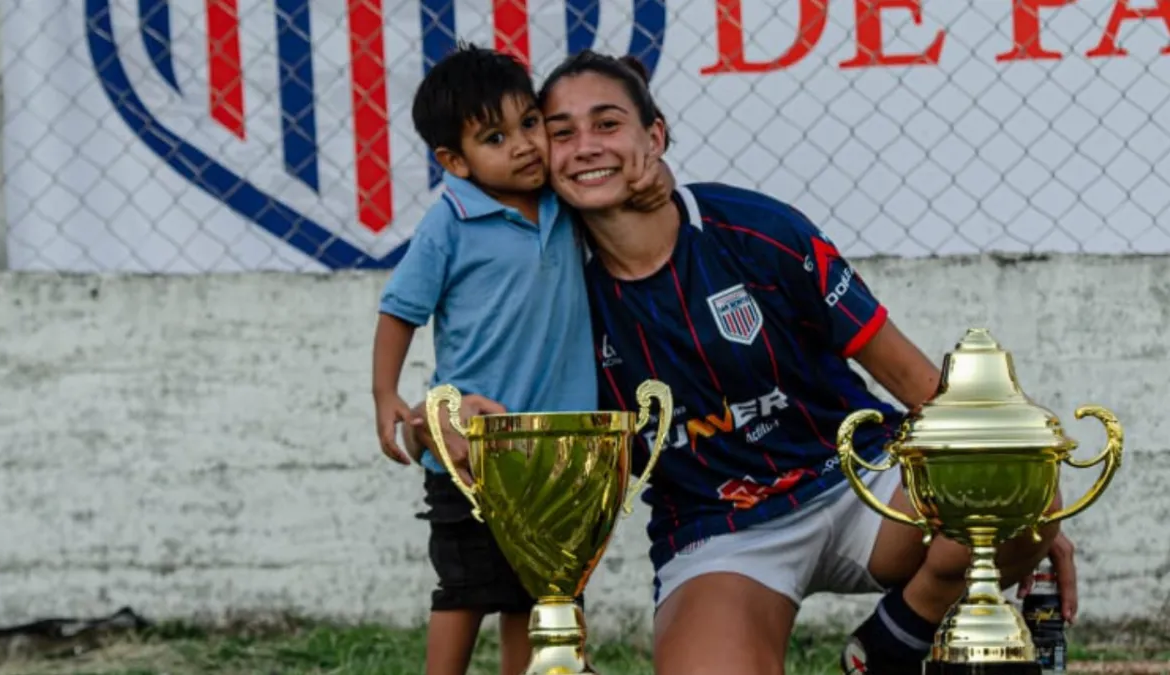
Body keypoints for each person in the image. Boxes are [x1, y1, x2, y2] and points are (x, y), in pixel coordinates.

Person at [412, 49, 1079, 675]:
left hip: (861, 480)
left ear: (654, 135)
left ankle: (898, 636)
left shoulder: (753, 229)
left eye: (607, 124)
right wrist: (439, 418)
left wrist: (1018, 506)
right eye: (561, 132)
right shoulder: (552, 284)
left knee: (1016, 464)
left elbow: (917, 382)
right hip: (720, 532)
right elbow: (492, 399)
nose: (585, 146)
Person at [372, 44, 672, 675]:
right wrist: (386, 396)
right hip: (472, 449)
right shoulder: (450, 222)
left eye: (530, 123)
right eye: (495, 137)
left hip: (560, 451)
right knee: (465, 584)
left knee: (543, 586)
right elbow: (400, 310)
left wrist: (656, 174)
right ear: (454, 161)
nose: (524, 146)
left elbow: (627, 186)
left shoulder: (565, 203)